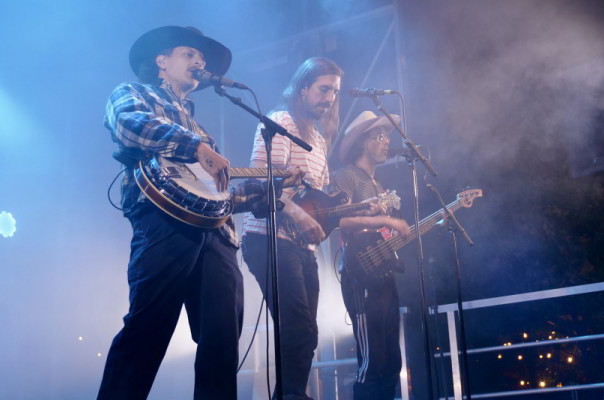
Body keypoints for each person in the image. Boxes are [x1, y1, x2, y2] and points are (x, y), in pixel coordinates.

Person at [97, 26, 301, 400]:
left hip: (217, 235)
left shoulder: (202, 130)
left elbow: (219, 198)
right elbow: (127, 123)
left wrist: (269, 187)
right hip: (163, 225)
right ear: (161, 61)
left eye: (202, 59)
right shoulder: (131, 93)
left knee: (222, 338)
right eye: (189, 54)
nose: (199, 62)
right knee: (147, 330)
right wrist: (195, 147)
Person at [240, 57, 343, 400]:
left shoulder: (320, 141)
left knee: (306, 333)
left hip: (302, 248)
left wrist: (348, 211)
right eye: (323, 88)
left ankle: (289, 395)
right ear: (303, 88)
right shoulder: (279, 122)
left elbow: (321, 199)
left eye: (334, 91)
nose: (329, 97)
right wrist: (299, 215)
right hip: (267, 238)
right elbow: (260, 181)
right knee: (298, 328)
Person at [332, 111, 411, 400]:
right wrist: (387, 221)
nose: (387, 142)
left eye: (387, 136)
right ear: (364, 142)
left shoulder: (379, 187)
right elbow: (337, 221)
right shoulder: (345, 178)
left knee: (392, 360)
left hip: (383, 273)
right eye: (380, 136)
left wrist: (396, 227)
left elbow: (384, 234)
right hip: (359, 273)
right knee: (373, 360)